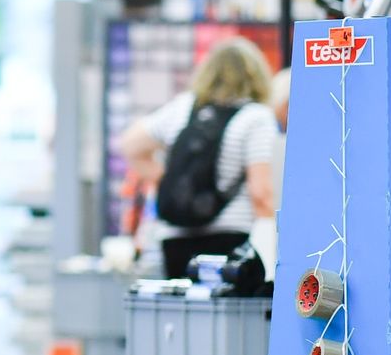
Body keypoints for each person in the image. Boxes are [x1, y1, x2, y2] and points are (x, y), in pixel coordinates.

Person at [119, 37, 278, 281]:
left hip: (174, 239)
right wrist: (270, 240)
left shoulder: (183, 108)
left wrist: (167, 178)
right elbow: (261, 193)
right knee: (229, 306)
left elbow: (130, 145)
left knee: (183, 304)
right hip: (231, 236)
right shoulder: (256, 117)